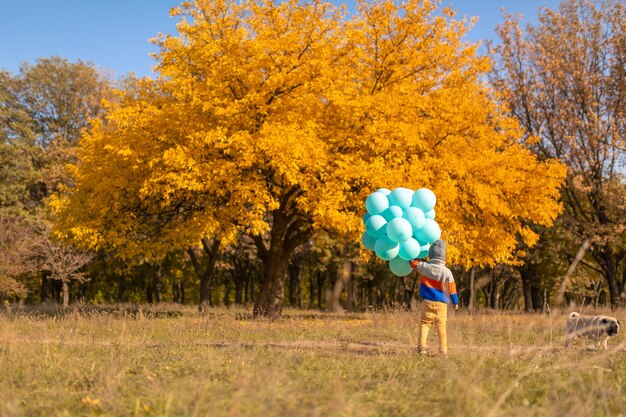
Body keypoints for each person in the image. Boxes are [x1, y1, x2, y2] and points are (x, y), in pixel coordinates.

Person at [409, 239, 458, 356]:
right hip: (442, 305)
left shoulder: (424, 267)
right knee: (441, 327)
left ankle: (422, 348)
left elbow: (412, 263)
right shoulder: (447, 272)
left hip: (427, 302)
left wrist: (410, 256)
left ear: (430, 255)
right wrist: (455, 302)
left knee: (425, 324)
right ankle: (443, 351)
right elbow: (452, 290)